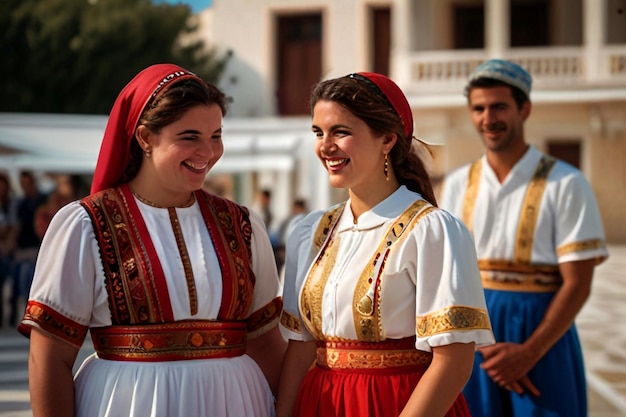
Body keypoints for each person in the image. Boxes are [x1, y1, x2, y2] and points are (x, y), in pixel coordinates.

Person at [18, 63, 286, 417]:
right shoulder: (86, 225)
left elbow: (265, 341)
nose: (207, 152)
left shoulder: (242, 224)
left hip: (236, 402)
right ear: (145, 137)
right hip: (130, 405)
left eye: (216, 135)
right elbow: (49, 356)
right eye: (189, 137)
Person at [276, 72, 494, 417]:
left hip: (398, 404)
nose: (325, 146)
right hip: (318, 403)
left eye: (341, 131)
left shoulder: (432, 231)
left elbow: (453, 362)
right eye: (318, 132)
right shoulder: (309, 232)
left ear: (388, 140)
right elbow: (301, 346)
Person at [439, 59, 610, 417]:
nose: (488, 118)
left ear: (525, 108)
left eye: (499, 106)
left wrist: (528, 352)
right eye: (479, 108)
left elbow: (577, 284)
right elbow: (446, 275)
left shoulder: (567, 183)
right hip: (473, 338)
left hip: (542, 336)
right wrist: (479, 348)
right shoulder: (457, 184)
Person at [10, 170, 47, 327]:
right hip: (23, 250)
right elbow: (16, 227)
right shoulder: (20, 203)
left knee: (28, 273)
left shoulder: (42, 201)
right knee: (20, 275)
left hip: (38, 249)